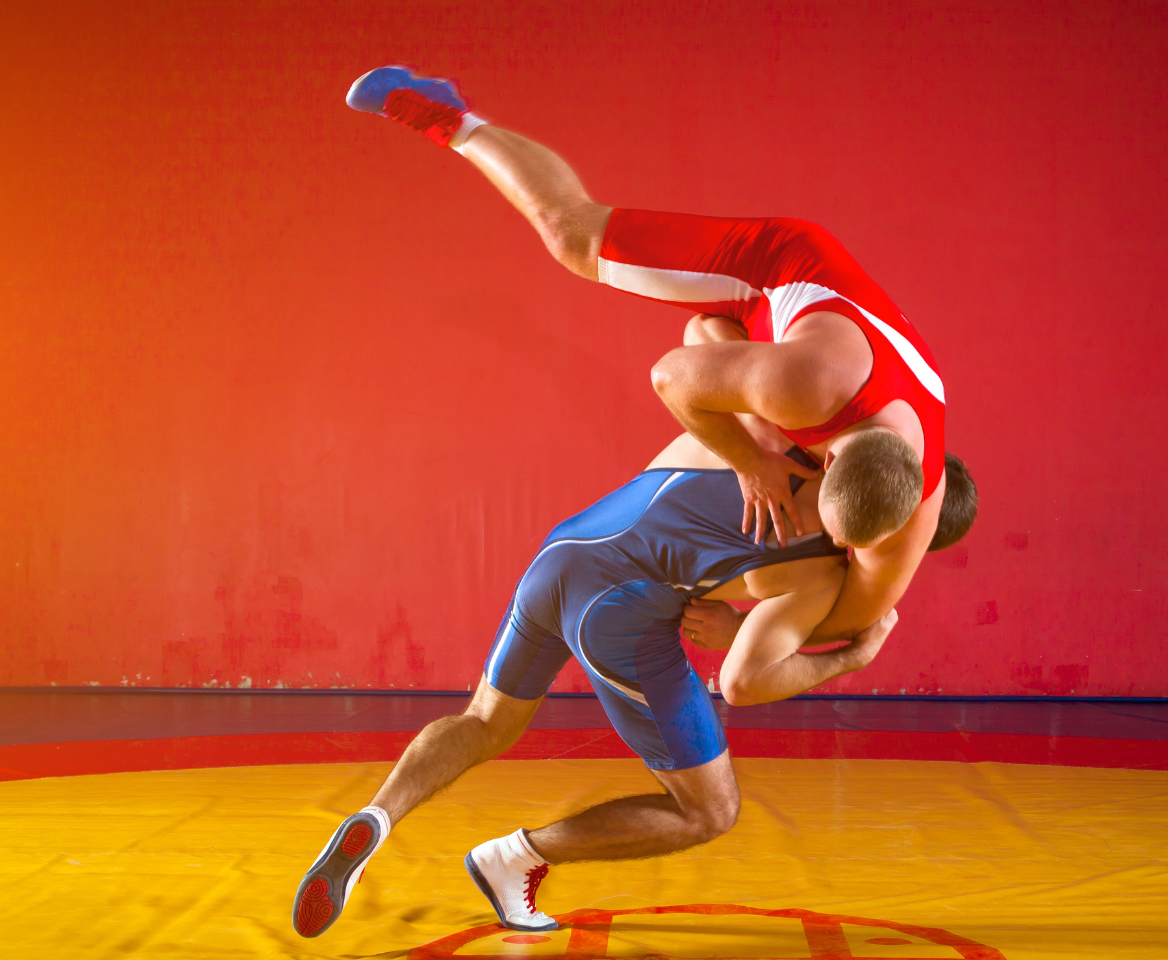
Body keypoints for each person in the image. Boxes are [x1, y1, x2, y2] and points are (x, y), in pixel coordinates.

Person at [341, 67, 978, 660]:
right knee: (572, 237)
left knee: (711, 342)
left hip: (788, 355)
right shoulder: (806, 388)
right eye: (836, 534)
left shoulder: (916, 515)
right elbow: (669, 376)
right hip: (781, 273)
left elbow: (852, 618)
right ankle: (448, 117)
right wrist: (750, 461)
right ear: (826, 456)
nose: (835, 549)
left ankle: (729, 363)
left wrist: (735, 633)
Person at [292, 413, 977, 938]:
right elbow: (743, 683)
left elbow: (701, 350)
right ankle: (516, 857)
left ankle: (378, 814)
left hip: (561, 555)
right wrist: (850, 658)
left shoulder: (769, 429)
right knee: (710, 810)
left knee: (484, 721)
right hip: (617, 615)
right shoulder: (820, 572)